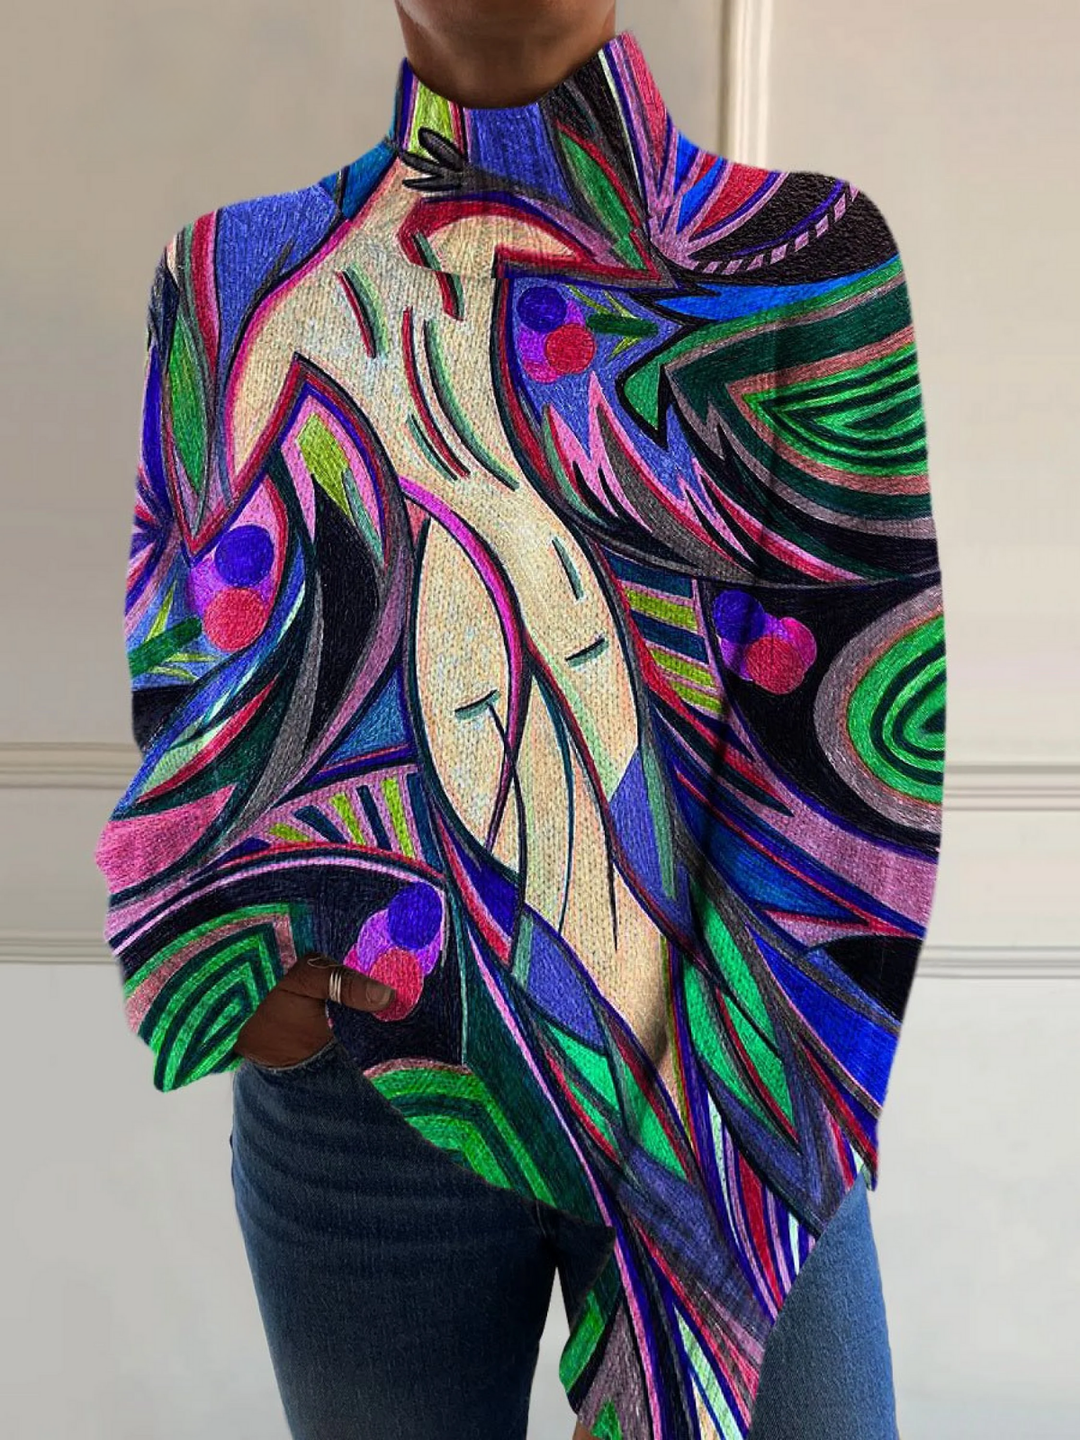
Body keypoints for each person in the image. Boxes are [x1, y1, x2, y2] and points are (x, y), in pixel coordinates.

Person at [96, 1, 945, 1437]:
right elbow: (182, 668)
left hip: (738, 1081)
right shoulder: (233, 278)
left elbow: (863, 759)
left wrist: (723, 1145)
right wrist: (228, 938)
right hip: (366, 1107)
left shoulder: (800, 260)